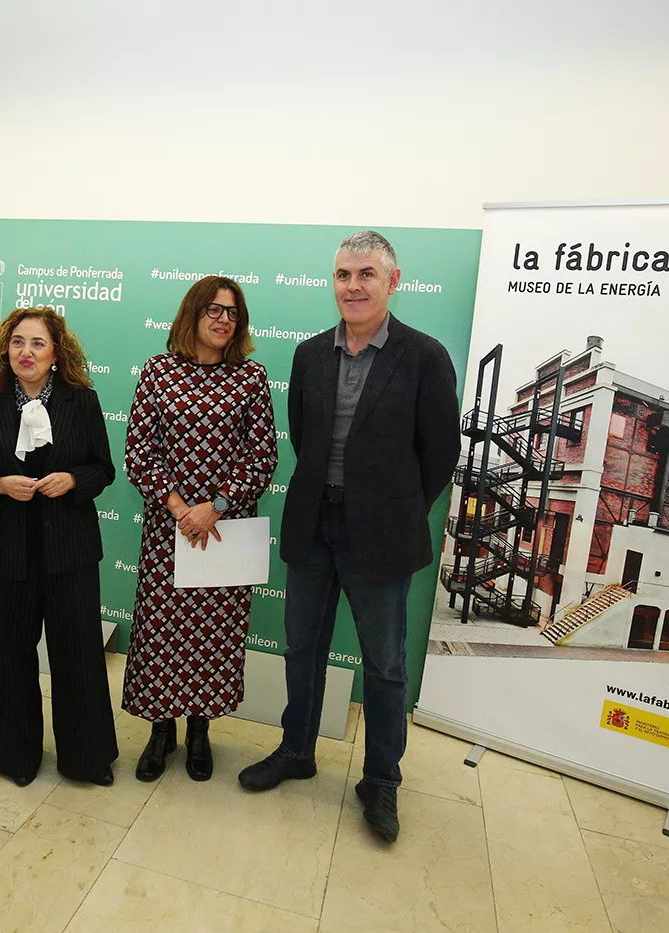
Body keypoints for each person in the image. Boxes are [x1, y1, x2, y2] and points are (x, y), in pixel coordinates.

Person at [237, 231, 461, 843]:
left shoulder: (425, 356)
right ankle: (297, 750)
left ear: (393, 281)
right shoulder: (310, 354)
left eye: (366, 274)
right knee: (302, 648)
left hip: (382, 537)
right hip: (314, 527)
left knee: (384, 666)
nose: (353, 286)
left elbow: (440, 452)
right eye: (343, 275)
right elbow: (303, 437)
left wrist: (396, 510)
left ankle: (381, 779)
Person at [122, 275, 278, 783]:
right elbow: (139, 452)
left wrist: (215, 507)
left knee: (213, 635)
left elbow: (262, 456)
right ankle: (160, 731)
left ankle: (199, 731)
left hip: (223, 531)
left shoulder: (250, 378)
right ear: (193, 312)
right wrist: (179, 508)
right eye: (214, 309)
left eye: (232, 312)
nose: (223, 319)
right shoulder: (158, 372)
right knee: (162, 632)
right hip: (168, 530)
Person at [0, 306, 119, 787]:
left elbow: (103, 469)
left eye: (37, 343)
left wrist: (73, 479)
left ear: (56, 354)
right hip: (2, 555)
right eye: (17, 342)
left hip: (69, 553)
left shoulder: (82, 402)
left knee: (79, 656)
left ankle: (86, 759)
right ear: (5, 350)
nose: (26, 352)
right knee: (5, 658)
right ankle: (14, 758)